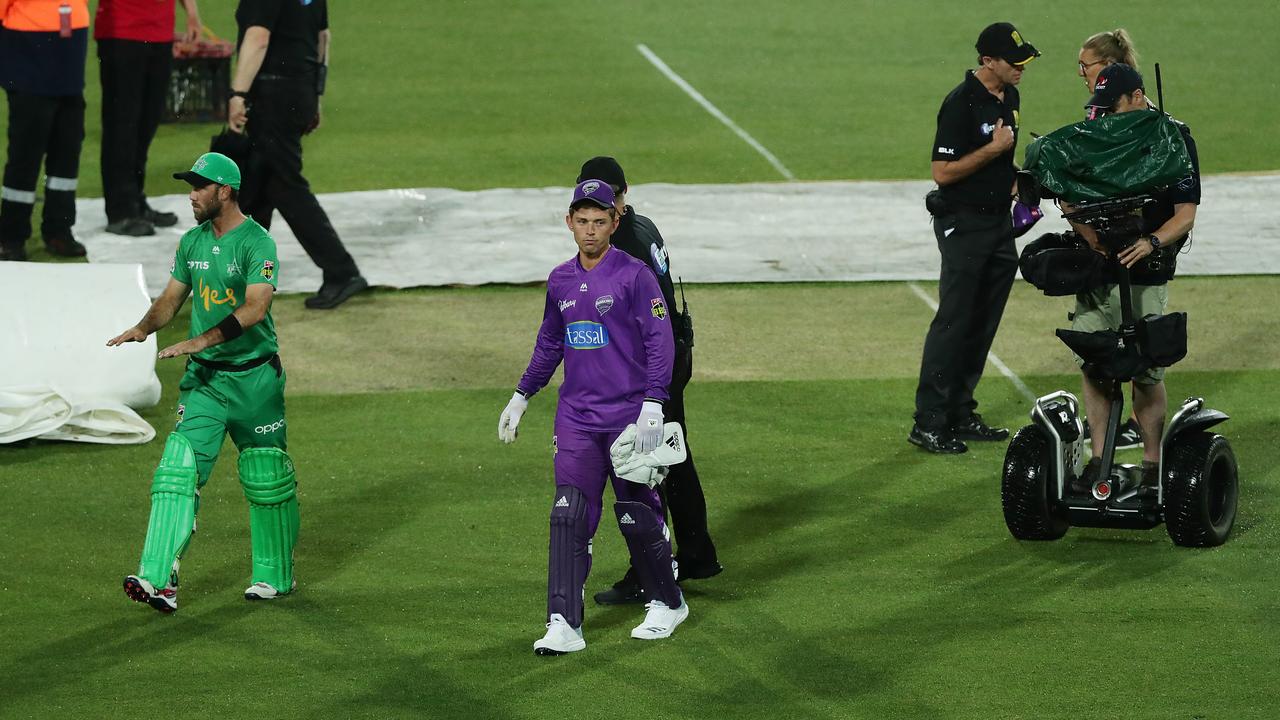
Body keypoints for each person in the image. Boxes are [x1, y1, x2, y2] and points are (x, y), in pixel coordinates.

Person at [499, 179, 688, 655]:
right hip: (577, 419)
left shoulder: (635, 276)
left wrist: (653, 403)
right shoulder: (560, 279)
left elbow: (659, 341)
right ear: (569, 222)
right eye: (581, 221)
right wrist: (523, 394)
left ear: (614, 222)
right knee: (569, 516)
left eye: (599, 221)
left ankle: (667, 602)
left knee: (637, 514)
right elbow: (550, 343)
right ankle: (564, 622)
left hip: (628, 416)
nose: (589, 230)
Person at [108, 152, 298, 613]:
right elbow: (171, 299)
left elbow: (256, 309)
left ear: (225, 191)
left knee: (267, 477)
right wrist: (144, 327)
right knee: (177, 470)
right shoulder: (191, 242)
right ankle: (158, 580)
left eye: (199, 186)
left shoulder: (257, 243)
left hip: (255, 381)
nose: (191, 194)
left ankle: (274, 576)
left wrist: (200, 340)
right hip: (207, 383)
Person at [572, 156, 721, 606]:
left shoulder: (626, 248)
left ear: (619, 196)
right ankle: (697, 553)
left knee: (639, 469)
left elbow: (635, 322)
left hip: (648, 366)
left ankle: (648, 571)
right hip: (672, 354)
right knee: (674, 456)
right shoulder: (644, 227)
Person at [1067, 63, 1200, 488]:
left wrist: (1151, 243)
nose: (1106, 116)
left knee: (1146, 368)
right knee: (1095, 363)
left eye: (1114, 107)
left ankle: (1151, 463)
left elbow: (1186, 214)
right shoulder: (1098, 136)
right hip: (1099, 271)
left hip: (1147, 271)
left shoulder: (1173, 138)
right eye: (1100, 108)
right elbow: (1069, 194)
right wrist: (1092, 240)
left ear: (1139, 98)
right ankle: (1097, 457)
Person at [910, 22, 1038, 454]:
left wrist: (1018, 182)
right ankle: (928, 421)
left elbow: (1004, 157)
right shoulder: (960, 103)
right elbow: (942, 173)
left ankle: (960, 412)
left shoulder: (1011, 96)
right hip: (963, 225)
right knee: (954, 322)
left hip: (999, 226)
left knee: (983, 322)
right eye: (1014, 62)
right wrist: (994, 151)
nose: (1022, 68)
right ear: (988, 61)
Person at [229, 0, 366, 309]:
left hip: (271, 97)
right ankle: (244, 278)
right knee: (258, 187)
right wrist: (315, 96)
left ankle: (341, 271)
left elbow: (258, 38)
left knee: (285, 186)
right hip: (299, 90)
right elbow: (323, 38)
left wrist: (237, 94)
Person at [1075, 28, 1146, 450]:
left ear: (1109, 67)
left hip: (1136, 240)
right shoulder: (1099, 110)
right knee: (1101, 336)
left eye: (1085, 67)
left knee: (1138, 333)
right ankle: (1104, 430)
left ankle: (1137, 420)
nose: (1082, 75)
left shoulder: (1140, 111)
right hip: (1102, 237)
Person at [95, 0, 201, 237]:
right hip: (122, 30)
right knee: (122, 124)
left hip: (159, 31)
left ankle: (135, 201)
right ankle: (120, 210)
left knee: (146, 123)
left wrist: (192, 12)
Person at [0, 0, 90, 261]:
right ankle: (11, 236)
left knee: (67, 151)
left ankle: (58, 229)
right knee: (25, 154)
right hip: (29, 53)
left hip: (69, 54)